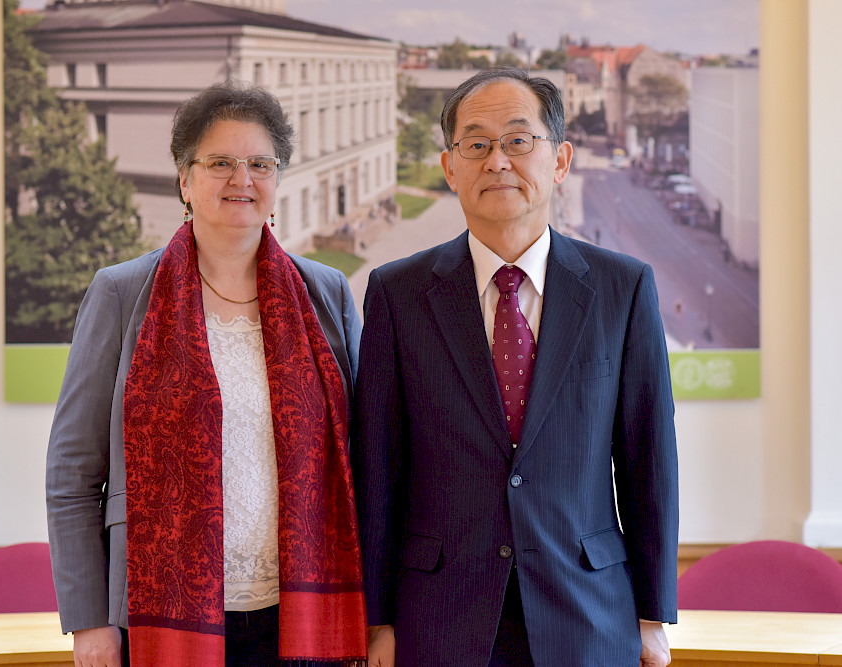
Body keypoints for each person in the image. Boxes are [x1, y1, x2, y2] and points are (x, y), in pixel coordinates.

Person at [351, 67, 678, 666]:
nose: (497, 161)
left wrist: (653, 615)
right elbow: (378, 467)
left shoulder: (623, 288)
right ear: (450, 168)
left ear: (560, 160)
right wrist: (380, 620)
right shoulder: (398, 294)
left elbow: (648, 458)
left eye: (518, 140)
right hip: (439, 618)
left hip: (587, 611)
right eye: (476, 144)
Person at [46, 81, 367, 667]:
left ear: (277, 180)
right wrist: (89, 621)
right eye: (220, 162)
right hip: (156, 611)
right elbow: (72, 473)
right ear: (185, 180)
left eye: (260, 164)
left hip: (299, 614)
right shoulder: (121, 293)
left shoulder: (327, 293)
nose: (241, 179)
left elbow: (365, 462)